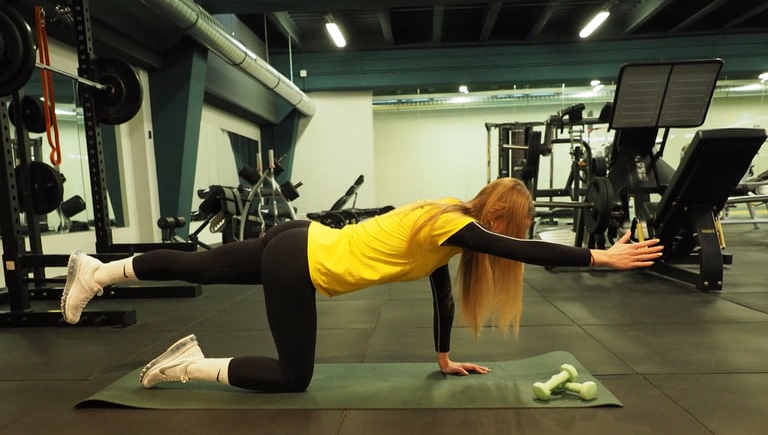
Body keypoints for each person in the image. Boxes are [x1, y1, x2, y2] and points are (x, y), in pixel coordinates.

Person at [60, 177, 663, 393]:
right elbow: (522, 251)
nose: (508, 234)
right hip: (301, 261)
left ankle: (99, 270)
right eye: (514, 223)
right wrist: (601, 258)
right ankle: (185, 366)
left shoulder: (444, 223)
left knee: (199, 265)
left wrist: (444, 356)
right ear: (499, 216)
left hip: (298, 241)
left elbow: (442, 291)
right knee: (294, 378)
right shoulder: (458, 224)